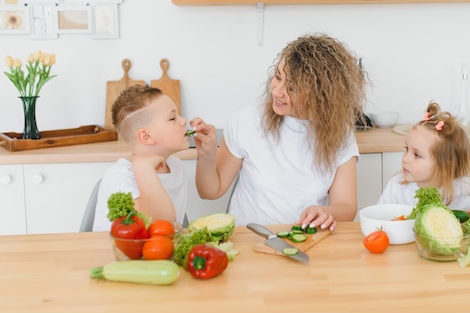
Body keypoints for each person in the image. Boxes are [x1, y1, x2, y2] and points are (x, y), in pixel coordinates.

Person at [190, 33, 368, 231]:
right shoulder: (246, 122)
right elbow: (210, 191)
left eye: (291, 88)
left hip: (306, 241)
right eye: (277, 77)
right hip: (248, 241)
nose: (277, 91)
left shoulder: (340, 135)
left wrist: (327, 212)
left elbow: (346, 206)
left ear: (321, 96)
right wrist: (206, 156)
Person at [377, 101, 470, 219]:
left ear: (445, 164)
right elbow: (378, 218)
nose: (405, 159)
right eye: (406, 149)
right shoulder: (396, 186)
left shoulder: (465, 189)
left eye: (417, 155)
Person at [92, 85, 190, 231]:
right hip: (117, 252)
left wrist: (207, 153)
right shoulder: (120, 177)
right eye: (172, 118)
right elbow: (159, 228)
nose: (184, 121)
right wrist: (144, 168)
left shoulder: (176, 165)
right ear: (146, 136)